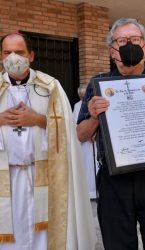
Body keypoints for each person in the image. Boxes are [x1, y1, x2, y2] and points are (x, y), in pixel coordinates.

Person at [77, 18, 145, 250]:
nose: (129, 45)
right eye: (122, 40)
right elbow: (80, 134)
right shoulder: (98, 83)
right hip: (114, 181)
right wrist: (95, 116)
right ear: (112, 50)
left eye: (135, 40)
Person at [0, 32, 96, 250]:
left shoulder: (50, 87)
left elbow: (69, 132)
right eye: (7, 52)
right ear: (0, 56)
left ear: (31, 55)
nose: (13, 58)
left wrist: (38, 120)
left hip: (43, 176)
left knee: (44, 234)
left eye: (19, 52)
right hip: (6, 177)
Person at [73, 84, 97, 199]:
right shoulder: (77, 106)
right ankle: (90, 192)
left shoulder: (94, 104)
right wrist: (86, 134)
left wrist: (95, 133)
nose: (83, 98)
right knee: (87, 166)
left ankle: (98, 190)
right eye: (81, 96)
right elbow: (74, 123)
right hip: (85, 144)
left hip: (95, 142)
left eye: (84, 95)